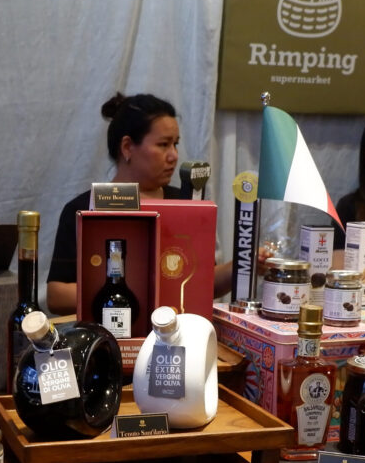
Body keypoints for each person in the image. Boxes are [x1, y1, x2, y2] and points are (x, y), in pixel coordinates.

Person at [46, 92, 230, 313]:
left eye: (175, 144)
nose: (174, 155)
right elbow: (56, 296)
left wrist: (245, 263)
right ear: (127, 147)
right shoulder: (83, 208)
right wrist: (125, 292)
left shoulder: (185, 202)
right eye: (163, 144)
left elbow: (203, 282)